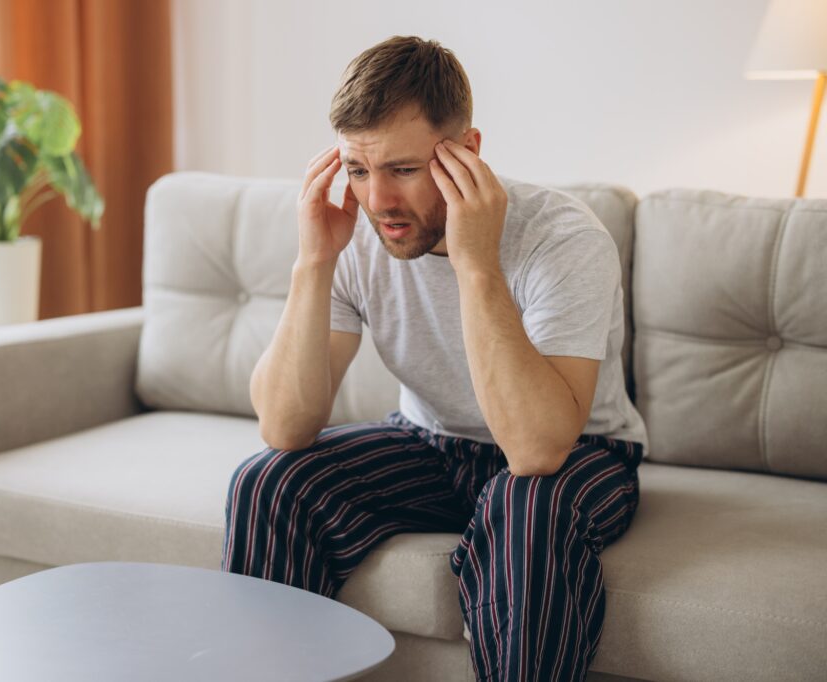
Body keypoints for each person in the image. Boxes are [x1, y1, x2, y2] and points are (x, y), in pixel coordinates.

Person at [221, 35, 647, 682]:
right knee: (268, 482)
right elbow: (285, 426)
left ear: (466, 151)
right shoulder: (355, 235)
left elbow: (537, 450)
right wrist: (314, 261)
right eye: (357, 170)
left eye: (403, 169)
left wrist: (476, 265)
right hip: (430, 441)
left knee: (526, 507)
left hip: (580, 454)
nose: (378, 202)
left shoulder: (561, 237)